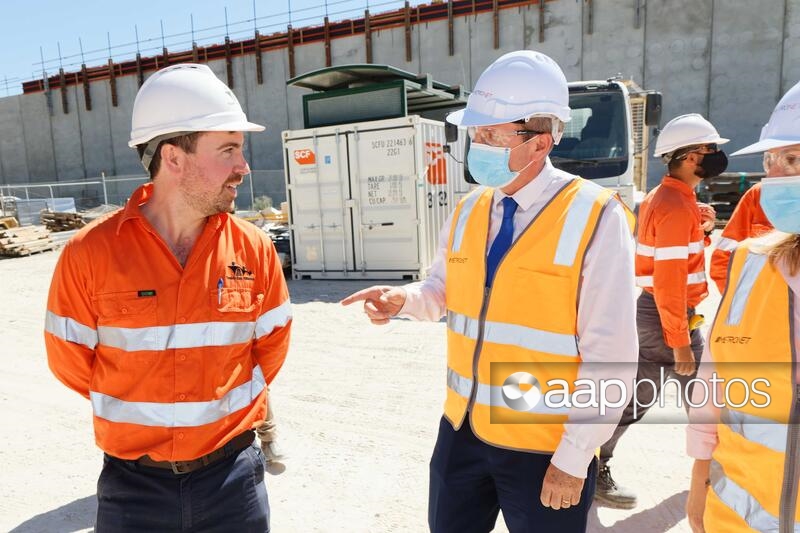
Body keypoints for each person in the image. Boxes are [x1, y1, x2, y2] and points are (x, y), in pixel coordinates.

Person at [342, 50, 639, 532]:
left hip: (543, 445)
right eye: (474, 133)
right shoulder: (468, 209)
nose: (475, 143)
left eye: (488, 135)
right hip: (461, 433)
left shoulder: (596, 216)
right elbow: (443, 290)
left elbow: (613, 353)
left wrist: (575, 455)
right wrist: (405, 301)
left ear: (540, 143)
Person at [44, 63, 292, 532]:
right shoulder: (89, 254)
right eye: (228, 150)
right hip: (132, 489)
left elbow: (271, 347)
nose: (243, 166)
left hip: (233, 480)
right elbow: (71, 362)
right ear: (174, 158)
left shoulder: (254, 249)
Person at [596, 114, 728, 509]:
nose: (717, 157)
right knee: (694, 396)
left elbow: (676, 262)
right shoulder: (673, 203)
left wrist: (702, 232)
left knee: (644, 399)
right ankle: (720, 474)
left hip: (662, 314)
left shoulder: (668, 196)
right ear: (690, 157)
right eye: (710, 150)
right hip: (666, 316)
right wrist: (680, 343)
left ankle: (593, 465)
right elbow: (669, 281)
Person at [686, 81, 800, 532]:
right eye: (771, 161)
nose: (773, 175)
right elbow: (714, 382)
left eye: (789, 159)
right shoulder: (749, 266)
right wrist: (699, 478)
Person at [708, 150, 773, 293]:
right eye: (772, 161)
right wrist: (736, 302)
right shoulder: (758, 195)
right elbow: (724, 258)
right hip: (762, 308)